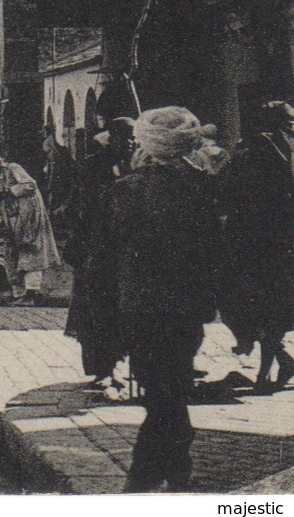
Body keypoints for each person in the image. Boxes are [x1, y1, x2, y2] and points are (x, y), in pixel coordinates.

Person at [109, 107, 221, 492]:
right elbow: (216, 249)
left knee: (160, 395)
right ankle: (175, 473)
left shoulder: (128, 189)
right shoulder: (205, 188)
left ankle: (144, 481)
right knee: (170, 388)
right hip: (187, 305)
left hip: (141, 304)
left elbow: (106, 252)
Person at [217, 100, 294, 393]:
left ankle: (270, 368)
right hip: (283, 243)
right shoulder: (279, 149)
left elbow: (227, 192)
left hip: (253, 244)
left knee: (251, 305)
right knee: (274, 308)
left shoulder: (249, 151)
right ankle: (273, 366)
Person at [64, 117, 136, 387]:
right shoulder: (94, 166)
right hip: (98, 246)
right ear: (112, 139)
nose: (130, 143)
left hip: (129, 246)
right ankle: (104, 368)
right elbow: (84, 207)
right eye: (124, 137)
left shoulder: (138, 164)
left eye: (133, 138)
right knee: (98, 308)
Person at [0, 156, 61, 306]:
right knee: (11, 254)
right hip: (12, 220)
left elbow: (30, 184)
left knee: (30, 253)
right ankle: (19, 292)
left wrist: (10, 191)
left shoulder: (13, 168)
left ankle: (31, 293)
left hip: (28, 218)